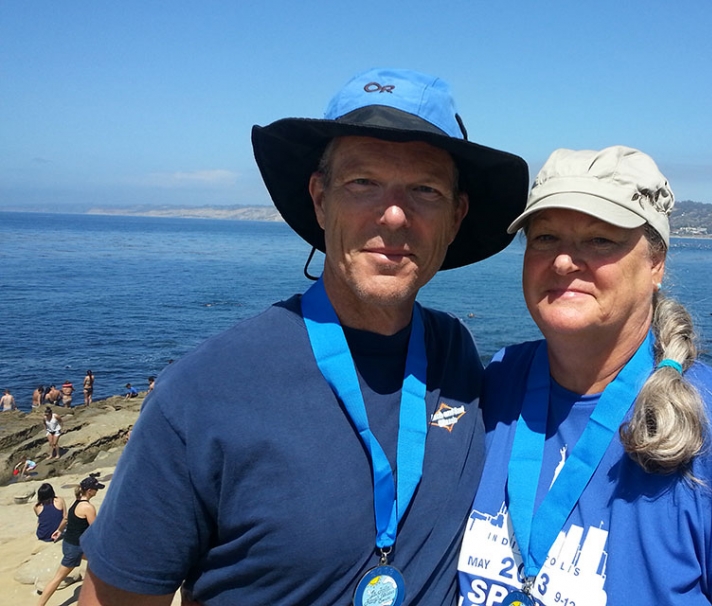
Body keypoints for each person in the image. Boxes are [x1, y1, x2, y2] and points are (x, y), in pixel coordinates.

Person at [79, 67, 528, 606]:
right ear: (320, 198)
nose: (393, 214)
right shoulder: (202, 392)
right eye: (362, 182)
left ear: (456, 217)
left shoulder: (454, 352)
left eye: (425, 190)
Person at [457, 146, 712, 605]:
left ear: (656, 263)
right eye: (545, 238)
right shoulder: (500, 382)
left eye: (599, 240)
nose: (563, 262)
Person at [37, 475, 104, 606]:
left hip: (69, 543)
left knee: (97, 561)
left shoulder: (77, 502)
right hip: (75, 548)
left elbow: (67, 518)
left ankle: (99, 587)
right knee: (57, 579)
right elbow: (96, 530)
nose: (97, 491)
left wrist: (59, 530)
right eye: (96, 488)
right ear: (90, 491)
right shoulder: (87, 508)